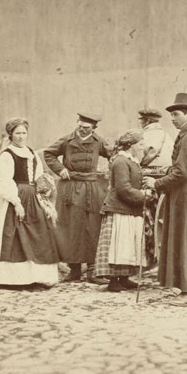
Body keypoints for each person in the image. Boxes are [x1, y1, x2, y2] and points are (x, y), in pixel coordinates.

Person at [0, 118, 60, 286]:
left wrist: (45, 200)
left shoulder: (32, 153)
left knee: (38, 235)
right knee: (12, 236)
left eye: (24, 133)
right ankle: (12, 278)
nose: (21, 137)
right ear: (11, 135)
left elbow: (39, 177)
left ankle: (38, 276)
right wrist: (16, 202)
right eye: (18, 133)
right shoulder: (7, 155)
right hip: (13, 197)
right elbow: (3, 180)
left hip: (33, 197)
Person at [143, 93, 187, 306]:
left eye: (176, 114)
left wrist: (156, 183)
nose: (172, 119)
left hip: (186, 194)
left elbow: (182, 173)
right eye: (171, 115)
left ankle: (186, 292)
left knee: (185, 241)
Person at [43, 112, 113, 284]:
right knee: (70, 227)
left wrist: (111, 171)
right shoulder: (67, 140)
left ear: (94, 128)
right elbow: (49, 154)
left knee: (92, 227)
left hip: (90, 188)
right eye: (80, 126)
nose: (82, 130)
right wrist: (60, 169)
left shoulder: (99, 141)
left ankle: (92, 271)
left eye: (86, 128)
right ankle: (73, 270)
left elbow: (114, 155)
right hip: (70, 187)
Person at [94, 129, 152, 291]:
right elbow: (123, 188)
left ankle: (124, 277)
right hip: (119, 209)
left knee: (127, 245)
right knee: (117, 245)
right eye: (140, 144)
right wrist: (143, 195)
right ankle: (113, 280)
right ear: (130, 145)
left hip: (130, 209)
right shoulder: (121, 161)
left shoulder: (132, 161)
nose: (143, 147)